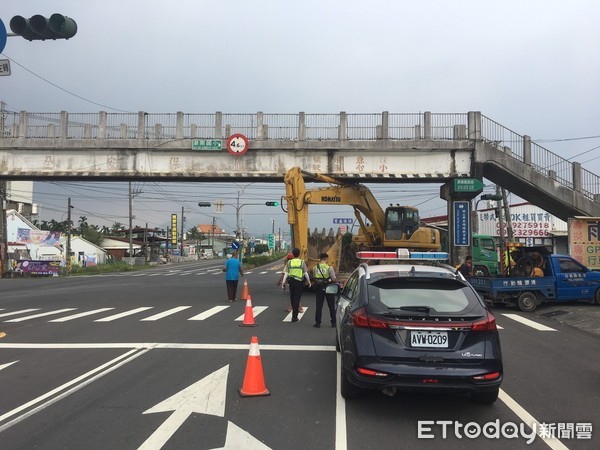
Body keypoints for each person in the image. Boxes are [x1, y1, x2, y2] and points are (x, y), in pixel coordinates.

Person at [280, 248, 311, 322]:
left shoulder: (289, 262)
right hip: (299, 282)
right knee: (297, 299)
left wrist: (283, 283)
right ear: (299, 254)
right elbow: (305, 273)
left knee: (292, 298)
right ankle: (294, 317)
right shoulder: (302, 262)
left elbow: (286, 273)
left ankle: (294, 314)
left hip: (291, 282)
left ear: (293, 254)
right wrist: (309, 282)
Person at [313, 253, 337, 328]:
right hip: (328, 287)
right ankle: (333, 323)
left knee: (319, 306)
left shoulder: (315, 267)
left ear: (320, 259)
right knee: (331, 306)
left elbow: (314, 276)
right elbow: (333, 279)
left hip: (319, 287)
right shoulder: (329, 267)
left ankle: (318, 323)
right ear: (326, 259)